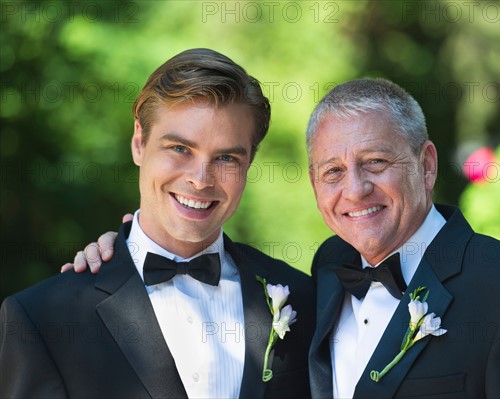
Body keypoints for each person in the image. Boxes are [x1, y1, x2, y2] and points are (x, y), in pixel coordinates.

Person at [61, 78, 500, 398]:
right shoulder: (322, 275)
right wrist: (125, 252)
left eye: (376, 162)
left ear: (427, 164)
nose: (356, 189)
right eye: (332, 172)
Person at [0, 48, 315, 399]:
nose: (200, 179)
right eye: (180, 148)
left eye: (226, 157)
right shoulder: (43, 319)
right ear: (139, 142)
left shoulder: (304, 299)